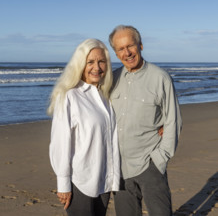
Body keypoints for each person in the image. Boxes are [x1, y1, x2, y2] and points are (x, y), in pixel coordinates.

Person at [109, 25, 182, 216]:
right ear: (116, 53)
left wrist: (159, 159)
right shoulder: (112, 79)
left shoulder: (160, 78)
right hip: (120, 170)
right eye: (121, 49)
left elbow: (173, 121)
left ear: (140, 45)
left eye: (130, 46)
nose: (127, 53)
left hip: (150, 165)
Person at [48, 39, 120, 216]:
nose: (97, 67)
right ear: (80, 64)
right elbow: (60, 143)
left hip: (104, 180)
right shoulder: (69, 97)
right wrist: (63, 184)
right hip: (81, 182)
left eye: (101, 61)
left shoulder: (106, 97)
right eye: (90, 62)